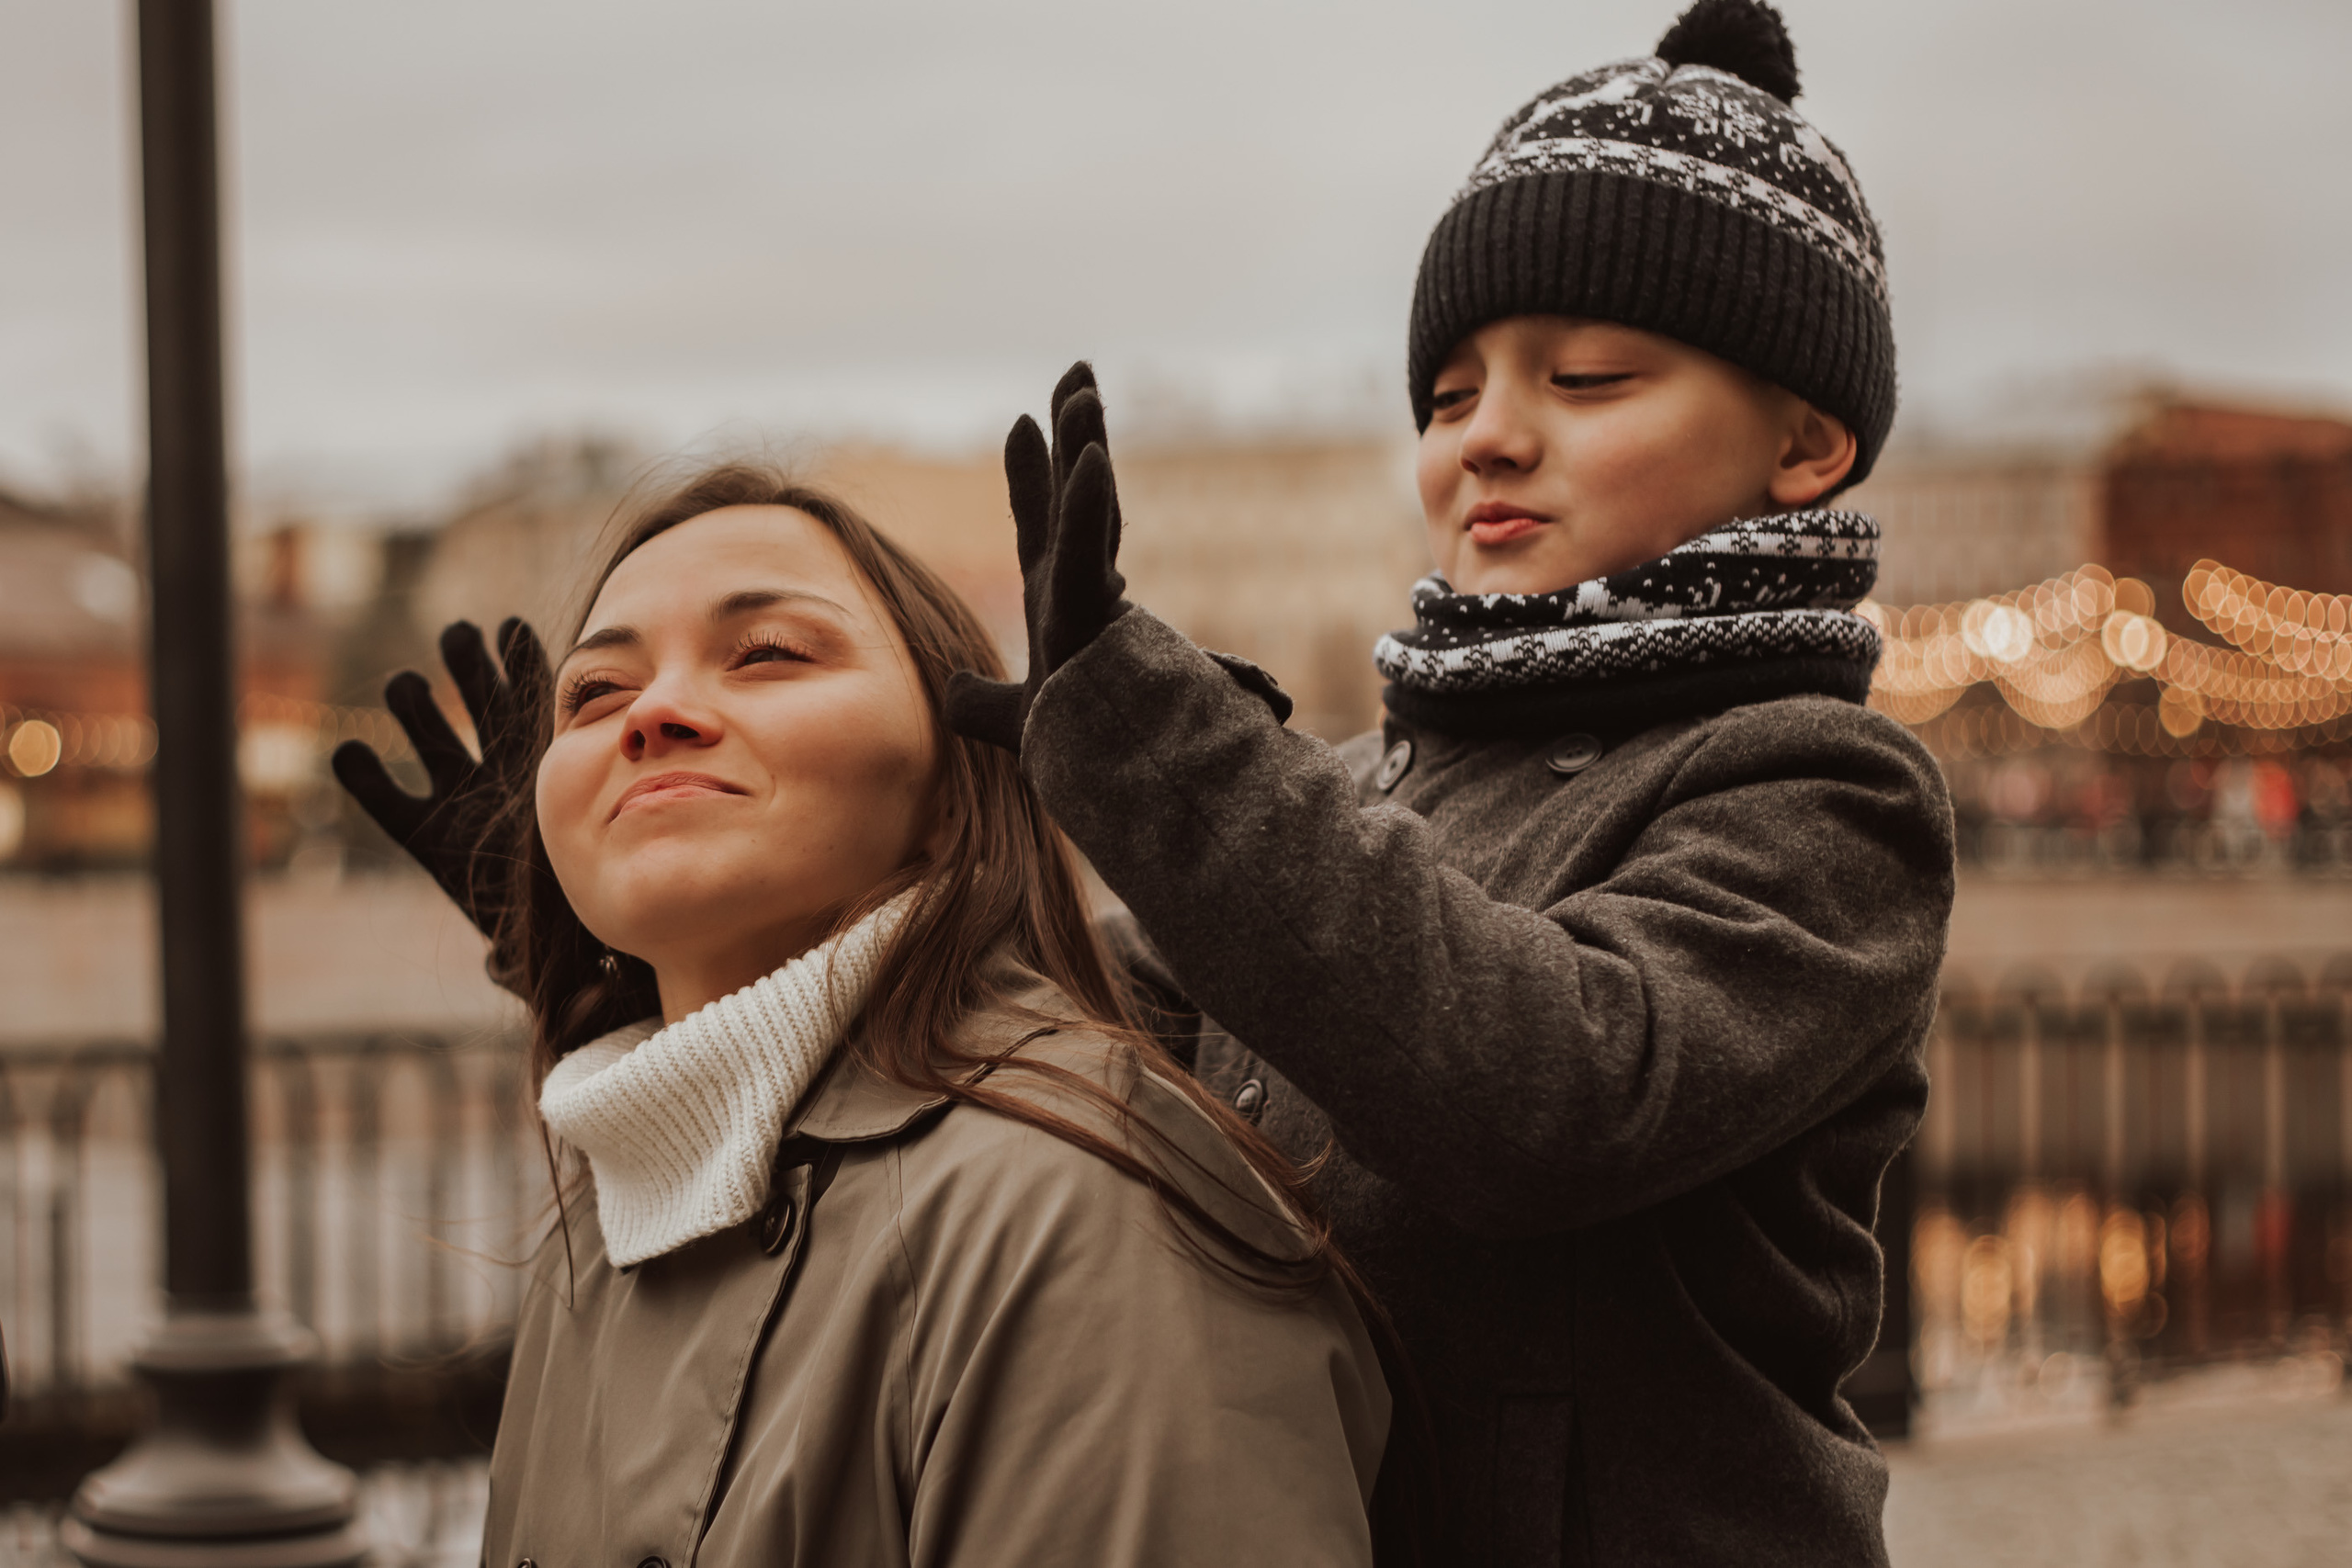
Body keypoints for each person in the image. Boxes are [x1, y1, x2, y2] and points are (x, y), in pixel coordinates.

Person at [942, 2, 1955, 1562]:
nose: (1486, 441)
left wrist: (1172, 753)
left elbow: (1544, 1089)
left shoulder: (1824, 788)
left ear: (1807, 441)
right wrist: (620, 928)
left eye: (1589, 378)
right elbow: (1032, 1069)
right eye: (1450, 395)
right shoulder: (1364, 785)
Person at [336, 467, 1391, 1566]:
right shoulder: (604, 1219)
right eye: (595, 693)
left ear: (955, 788)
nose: (649, 713)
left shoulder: (1084, 1225)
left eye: (770, 653)